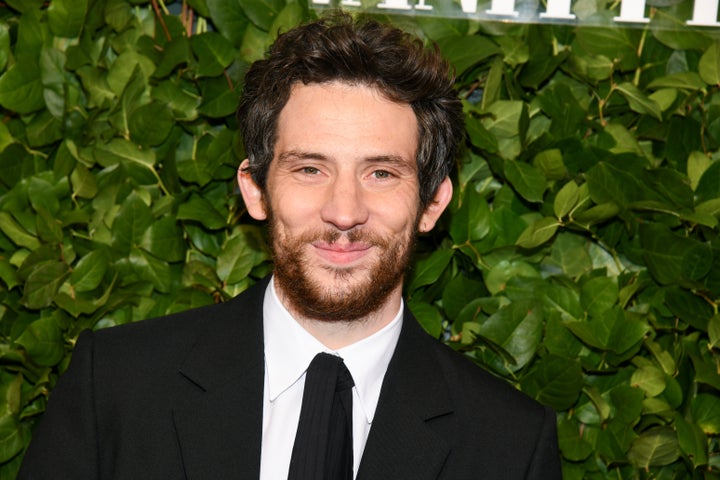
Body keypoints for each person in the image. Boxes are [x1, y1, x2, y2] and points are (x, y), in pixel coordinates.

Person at [18, 13, 561, 480]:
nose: (344, 211)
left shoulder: (509, 446)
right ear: (255, 190)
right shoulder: (115, 387)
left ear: (433, 204)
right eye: (309, 168)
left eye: (380, 172)